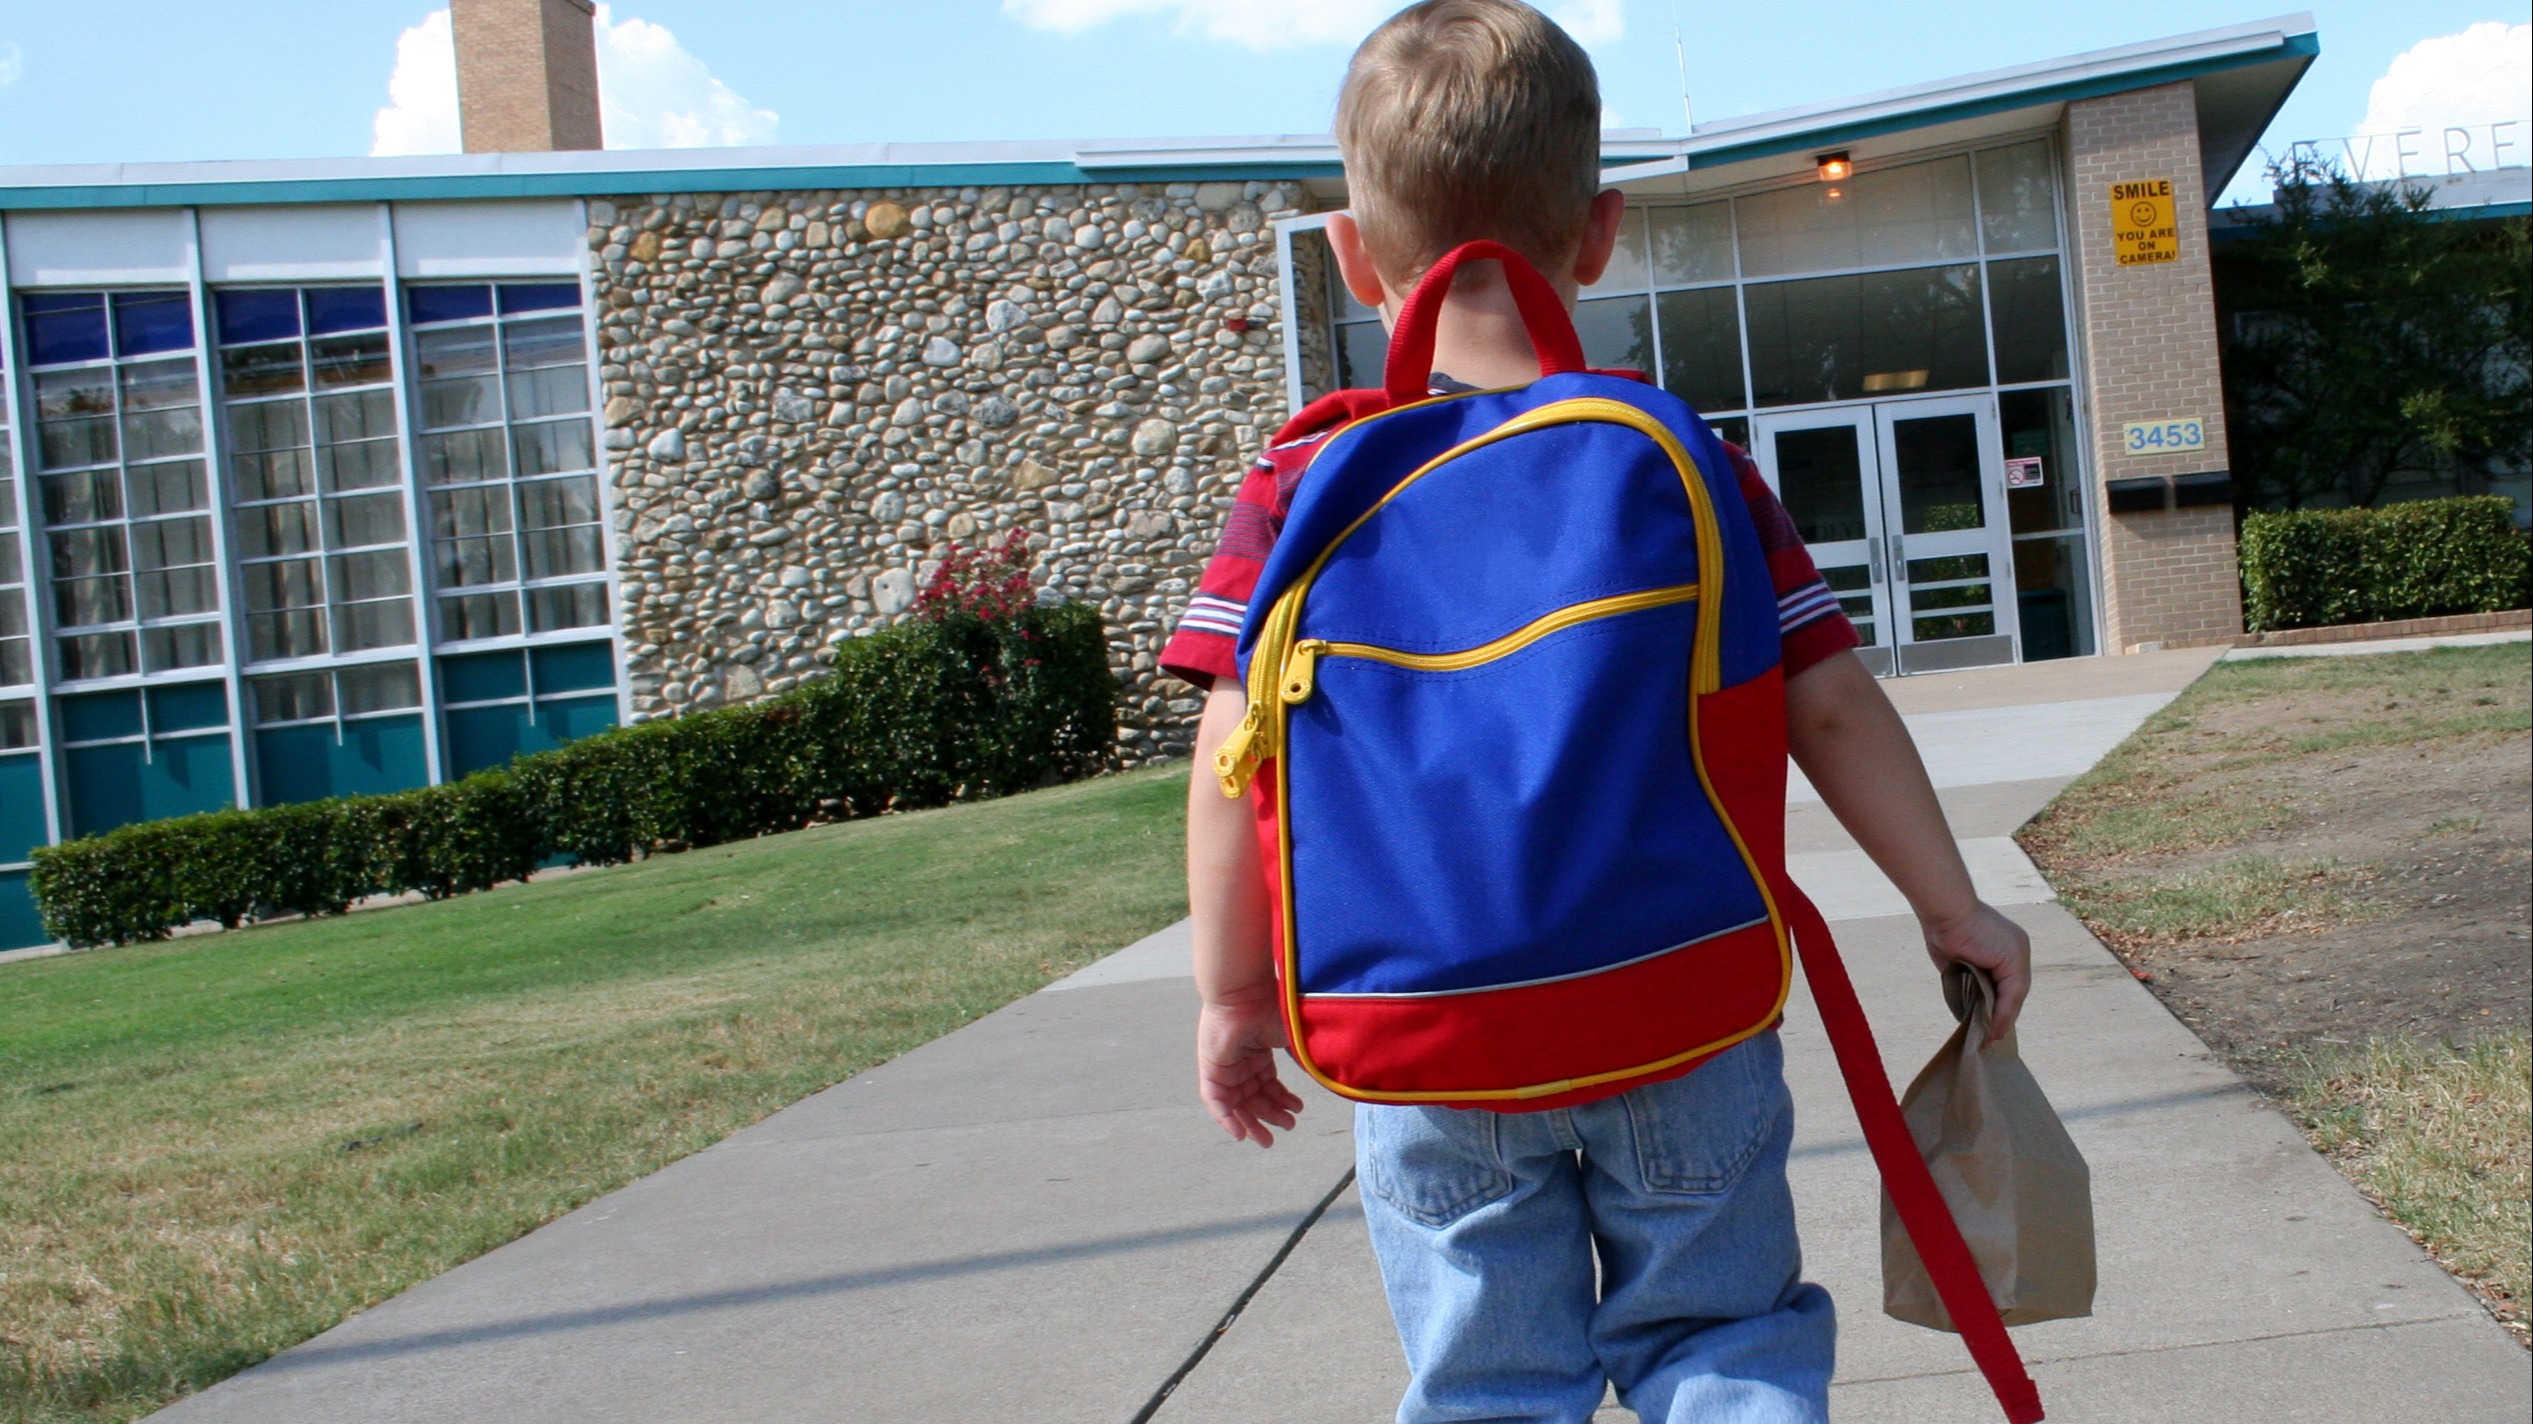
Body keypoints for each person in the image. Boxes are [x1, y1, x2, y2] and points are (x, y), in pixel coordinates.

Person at [1158, 3, 2035, 1419]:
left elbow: (1227, 759)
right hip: (1678, 1007)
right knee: (1721, 1343)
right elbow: (1833, 710)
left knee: (1488, 1380)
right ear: (1602, 232)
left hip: (1424, 1031)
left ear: (1345, 255)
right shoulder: (1685, 465)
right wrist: (1952, 909)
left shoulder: (1297, 487)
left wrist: (1231, 995)